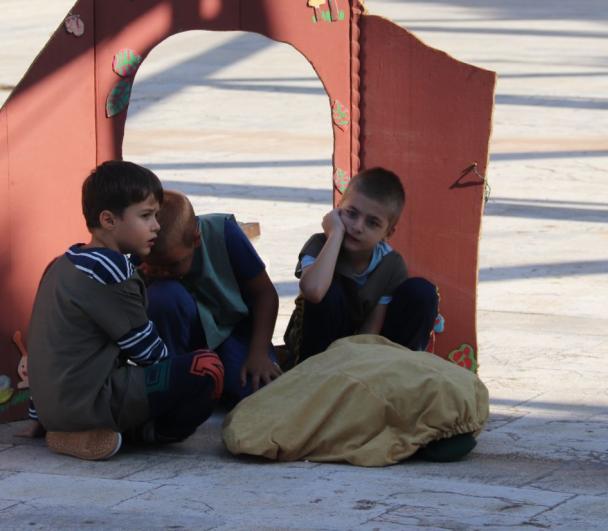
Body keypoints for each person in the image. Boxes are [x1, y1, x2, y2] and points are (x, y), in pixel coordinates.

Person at [24, 161, 224, 460]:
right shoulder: (112, 269)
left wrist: (37, 416)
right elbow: (149, 353)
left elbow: (46, 349)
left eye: (156, 216)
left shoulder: (63, 263)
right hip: (89, 403)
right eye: (145, 216)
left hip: (52, 409)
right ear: (108, 220)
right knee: (207, 368)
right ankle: (145, 434)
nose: (156, 225)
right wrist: (178, 379)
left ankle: (75, 433)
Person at [284, 167, 440, 367]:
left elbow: (371, 330)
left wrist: (358, 368)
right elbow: (314, 291)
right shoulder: (319, 244)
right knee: (329, 291)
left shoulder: (391, 264)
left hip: (364, 351)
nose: (357, 227)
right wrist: (335, 234)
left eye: (372, 223)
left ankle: (402, 374)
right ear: (338, 208)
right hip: (316, 350)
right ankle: (314, 377)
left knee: (421, 292)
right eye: (351, 213)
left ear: (388, 233)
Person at [138, 190, 282, 403]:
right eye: (153, 265)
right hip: (186, 337)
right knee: (162, 295)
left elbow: (266, 295)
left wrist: (258, 353)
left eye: (172, 265)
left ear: (196, 240)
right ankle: (172, 374)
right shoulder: (139, 243)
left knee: (257, 390)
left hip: (234, 332)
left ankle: (207, 381)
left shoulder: (225, 234)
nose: (161, 272)